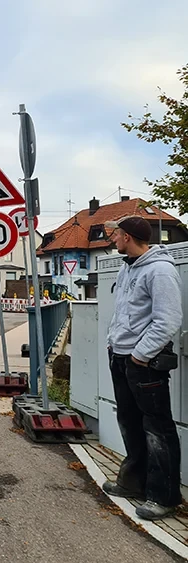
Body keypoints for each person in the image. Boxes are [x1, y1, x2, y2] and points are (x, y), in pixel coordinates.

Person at [102, 215, 183, 520]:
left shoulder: (160, 271)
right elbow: (125, 313)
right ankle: (133, 482)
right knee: (130, 423)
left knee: (157, 428)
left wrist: (140, 355)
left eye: (117, 234)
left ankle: (164, 497)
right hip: (122, 357)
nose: (113, 239)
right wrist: (115, 345)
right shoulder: (128, 267)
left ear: (128, 237)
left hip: (144, 363)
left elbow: (168, 319)